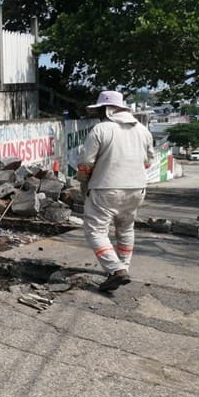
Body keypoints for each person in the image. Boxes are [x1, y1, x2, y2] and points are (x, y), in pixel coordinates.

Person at [78, 90, 154, 292]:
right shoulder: (143, 131)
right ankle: (123, 266)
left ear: (106, 109)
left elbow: (86, 163)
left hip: (105, 187)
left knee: (95, 230)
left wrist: (84, 182)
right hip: (137, 188)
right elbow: (148, 161)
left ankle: (116, 269)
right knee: (126, 228)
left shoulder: (101, 129)